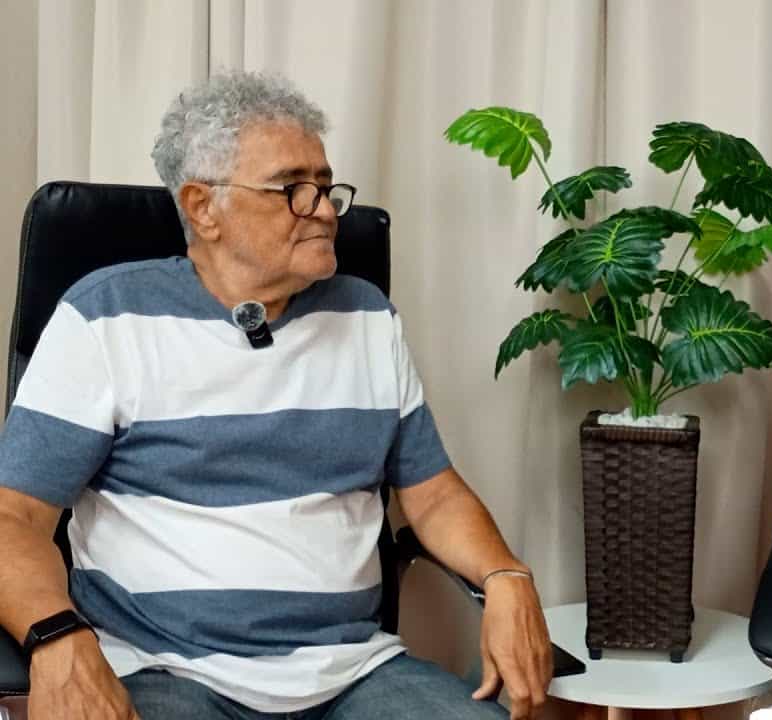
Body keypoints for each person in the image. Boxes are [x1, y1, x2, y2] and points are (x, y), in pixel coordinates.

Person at [0, 71, 551, 720]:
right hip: (161, 670)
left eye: (325, 186)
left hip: (351, 672)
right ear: (204, 208)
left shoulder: (366, 316)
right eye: (293, 189)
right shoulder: (104, 319)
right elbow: (14, 518)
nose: (323, 209)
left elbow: (431, 493)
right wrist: (54, 637)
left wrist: (506, 576)